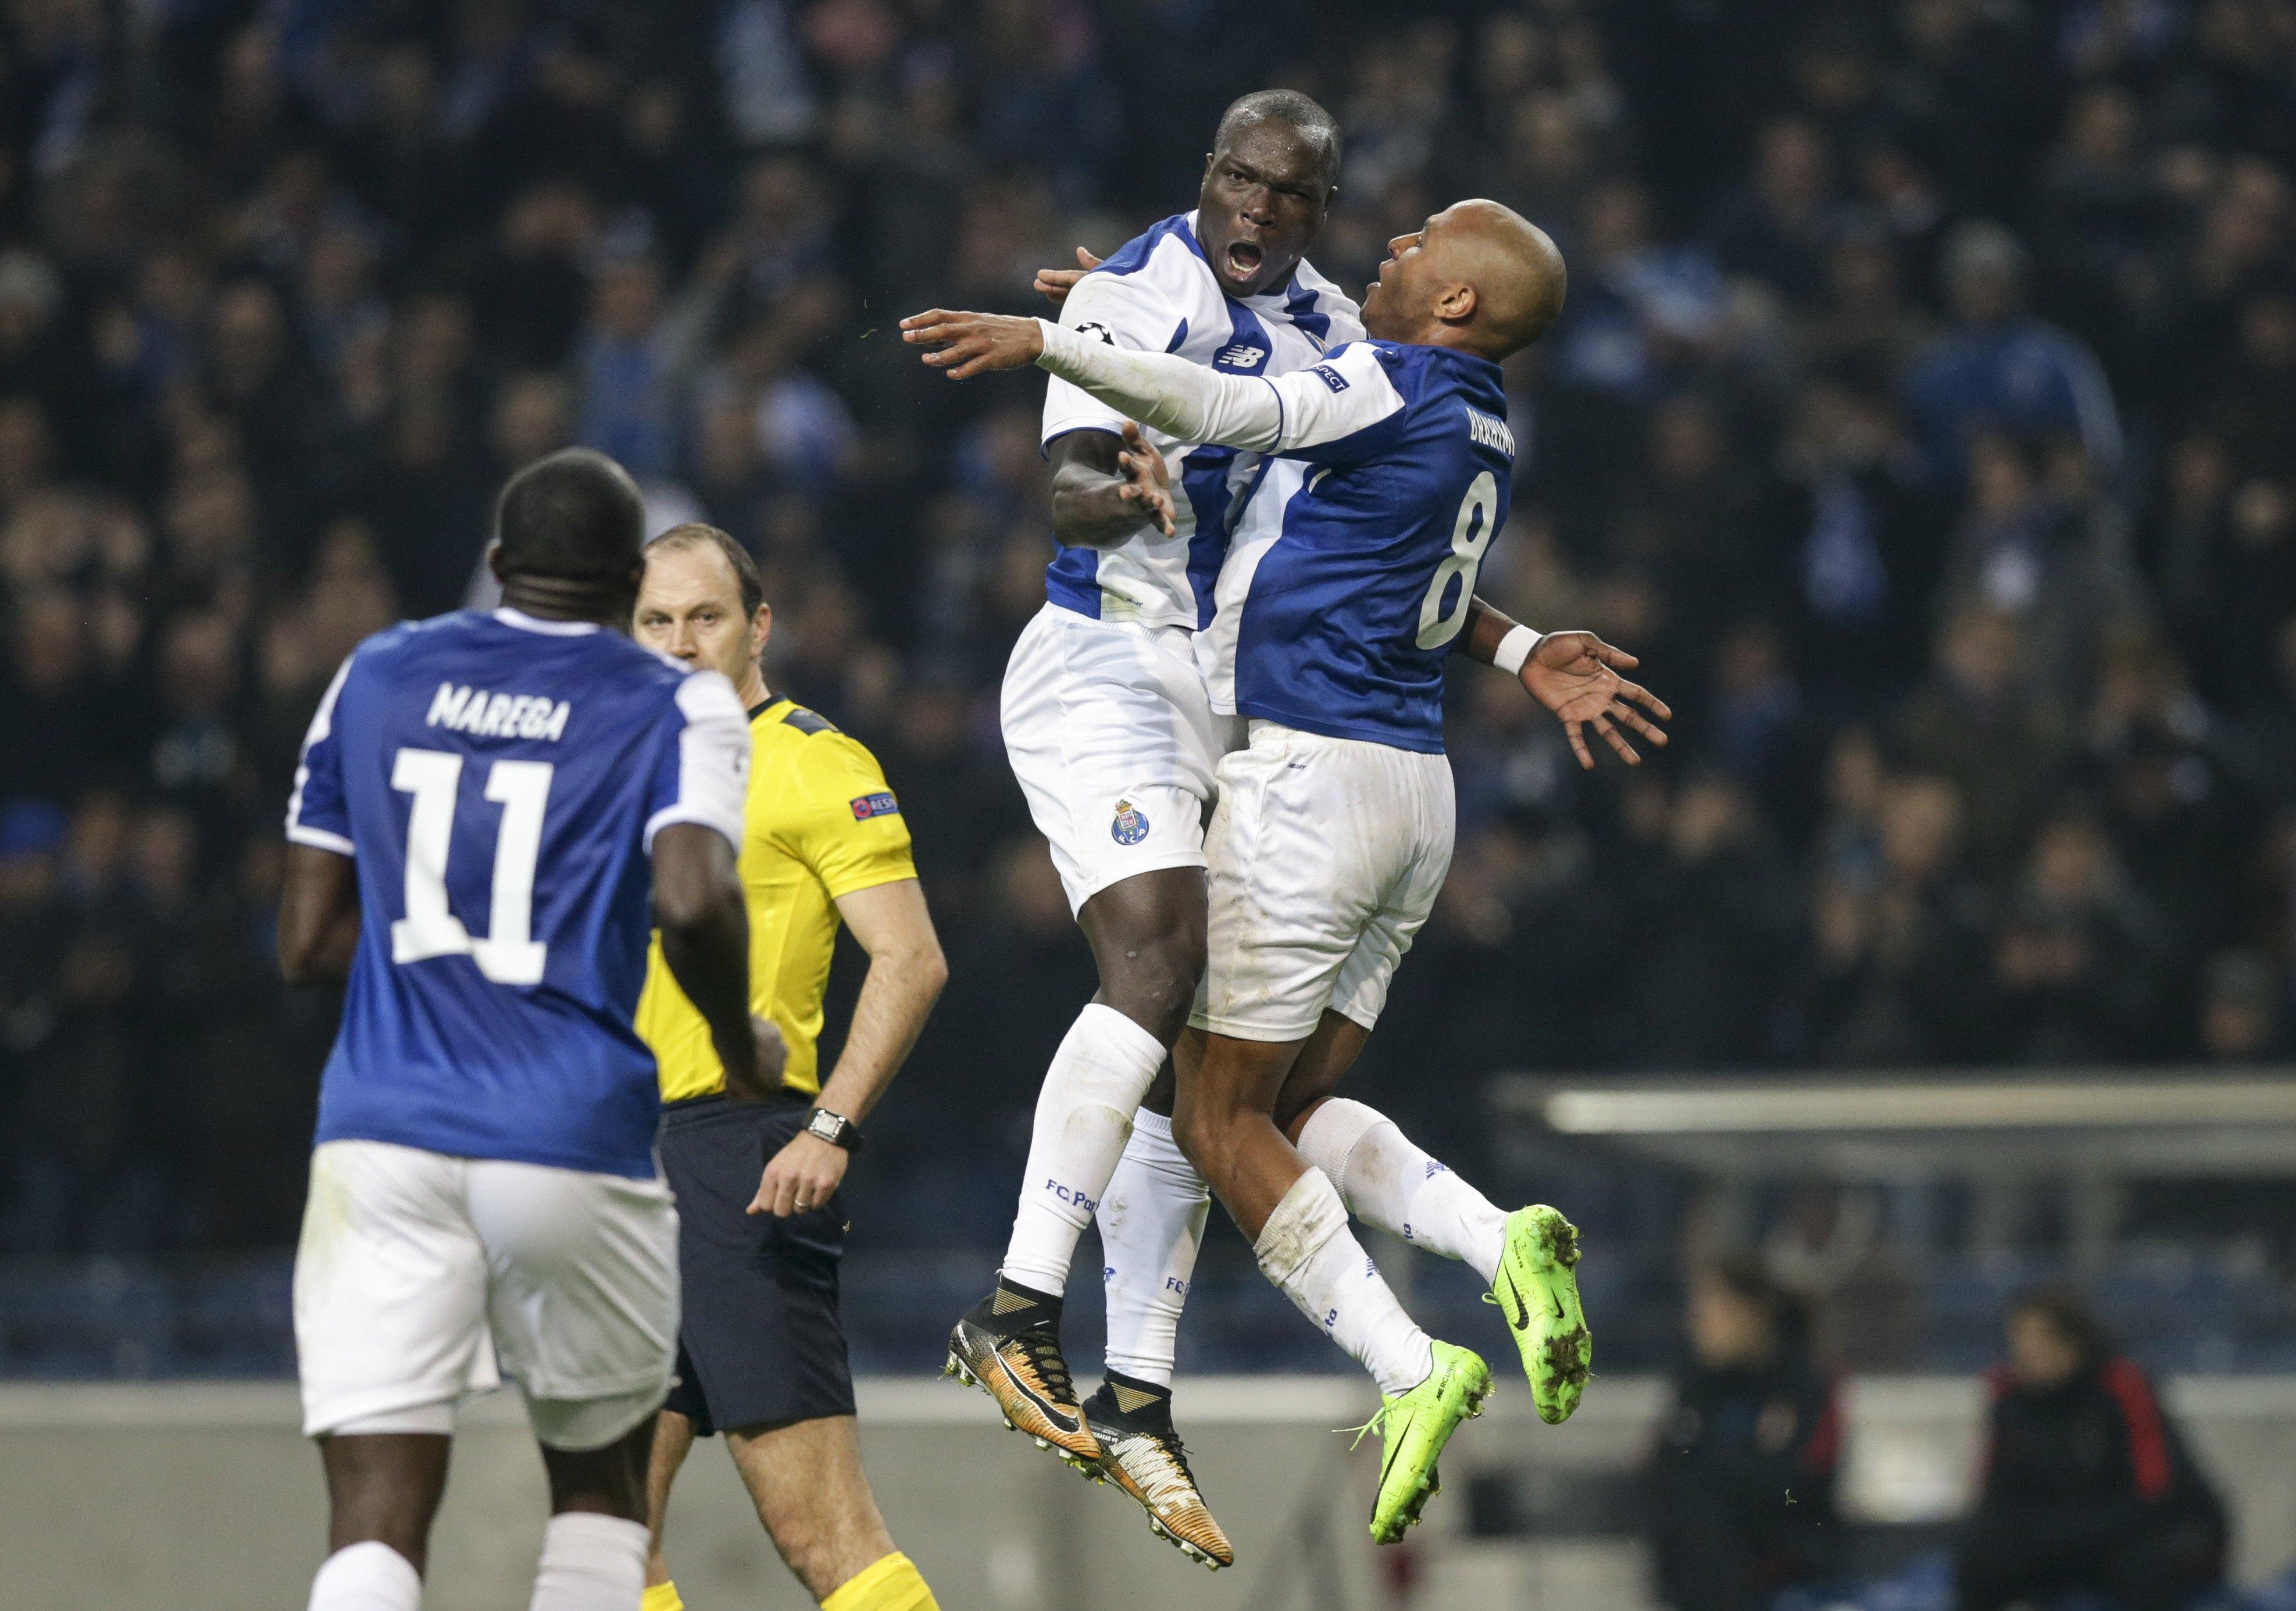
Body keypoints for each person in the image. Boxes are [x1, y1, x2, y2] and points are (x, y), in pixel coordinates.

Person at [941, 90, 1665, 1569]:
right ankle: (1053, 1330)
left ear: (1322, 213)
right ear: (1208, 171)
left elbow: (1284, 449)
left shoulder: (1343, 330)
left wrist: (1517, 642)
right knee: (1167, 989)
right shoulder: (1144, 285)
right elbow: (1071, 487)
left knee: (1219, 1096)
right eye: (1241, 178)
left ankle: (1125, 1370)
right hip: (1124, 668)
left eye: (1298, 195)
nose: (1263, 210)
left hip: (1274, 736)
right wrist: (1113, 453)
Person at [277, 449, 784, 1611]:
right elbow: (692, 898)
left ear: (499, 564)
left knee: (372, 1519)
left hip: (381, 1131)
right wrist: (735, 1039)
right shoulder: (675, 701)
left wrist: (437, 960)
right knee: (601, 1494)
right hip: (568, 1127)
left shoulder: (375, 670)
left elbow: (305, 940)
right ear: (630, 582)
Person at [627, 523, 949, 1611]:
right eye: (655, 621)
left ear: (758, 626)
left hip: (738, 1157)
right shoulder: (629, 771)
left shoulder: (814, 759)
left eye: (704, 617)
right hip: (623, 1168)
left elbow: (911, 958)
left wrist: (831, 1124)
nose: (679, 643)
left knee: (822, 1533)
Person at [1958, 1286, 2227, 1611]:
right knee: (1979, 1561)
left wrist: (2075, 1531)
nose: (2029, 1350)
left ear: (2075, 1341)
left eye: (2043, 1338)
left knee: (2145, 1567)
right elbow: (1995, 1494)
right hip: (2058, 1536)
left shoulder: (2123, 1385)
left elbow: (2156, 1488)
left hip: (2135, 1529)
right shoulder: (2008, 1397)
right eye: (2020, 1339)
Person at [1647, 1255, 1846, 1611]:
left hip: (1785, 1575)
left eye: (1715, 1312)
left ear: (1754, 1315)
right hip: (1698, 1579)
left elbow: (1799, 1488)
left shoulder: (1803, 1387)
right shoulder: (1696, 1386)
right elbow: (1664, 1471)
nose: (1698, 1325)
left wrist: (1725, 1474)